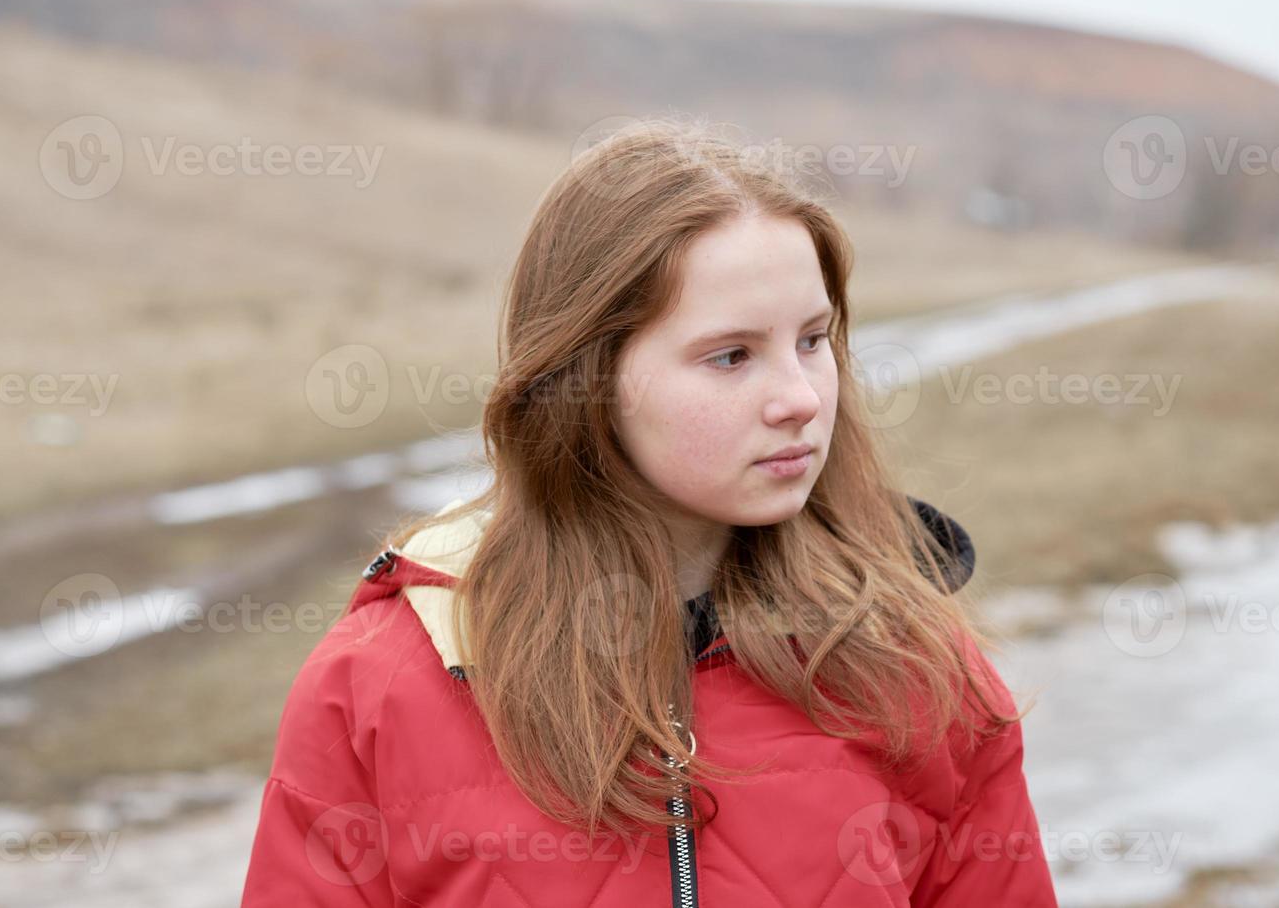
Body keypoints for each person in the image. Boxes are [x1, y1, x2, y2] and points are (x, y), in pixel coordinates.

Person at [240, 119, 1057, 907]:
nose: (801, 399)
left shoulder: (911, 662)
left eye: (812, 340)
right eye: (731, 355)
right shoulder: (378, 687)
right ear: (585, 378)